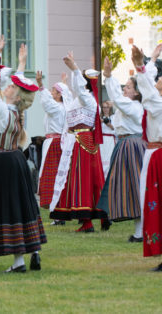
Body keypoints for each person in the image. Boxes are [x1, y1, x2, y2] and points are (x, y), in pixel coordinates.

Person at [0, 42, 46, 272]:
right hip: (16, 159)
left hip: (3, 162)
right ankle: (34, 251)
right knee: (23, 204)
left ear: (16, 96)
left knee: (9, 207)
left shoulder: (2, 110)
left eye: (11, 87)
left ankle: (19, 262)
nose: (8, 87)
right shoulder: (16, 112)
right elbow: (20, 87)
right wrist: (21, 64)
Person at [49, 52, 108, 232]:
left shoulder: (88, 99)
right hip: (78, 140)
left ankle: (88, 220)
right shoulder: (82, 100)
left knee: (84, 178)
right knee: (90, 178)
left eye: (82, 78)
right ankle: (98, 216)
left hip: (83, 141)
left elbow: (80, 90)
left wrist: (74, 68)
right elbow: (72, 95)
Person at [97, 56, 146, 241]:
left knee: (135, 188)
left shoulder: (134, 107)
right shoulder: (129, 107)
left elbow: (117, 99)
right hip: (125, 146)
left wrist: (108, 77)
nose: (124, 89)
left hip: (132, 147)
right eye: (125, 86)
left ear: (136, 93)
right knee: (132, 189)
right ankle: (139, 232)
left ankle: (141, 232)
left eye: (128, 87)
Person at [130, 45, 162, 272]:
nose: (159, 80)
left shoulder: (160, 105)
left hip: (160, 158)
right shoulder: (161, 105)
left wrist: (140, 67)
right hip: (159, 155)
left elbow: (147, 89)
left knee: (160, 204)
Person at [35, 71, 72, 215]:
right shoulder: (63, 107)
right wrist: (64, 82)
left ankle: (56, 210)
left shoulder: (57, 108)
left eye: (54, 91)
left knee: (53, 176)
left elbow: (46, 102)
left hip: (54, 144)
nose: (51, 93)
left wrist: (40, 85)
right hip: (56, 142)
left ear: (59, 95)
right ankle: (58, 209)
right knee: (59, 176)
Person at [99, 100, 116, 176]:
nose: (105, 109)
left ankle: (109, 178)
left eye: (107, 107)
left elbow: (114, 128)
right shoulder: (99, 118)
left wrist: (107, 122)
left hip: (110, 140)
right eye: (104, 107)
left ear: (110, 108)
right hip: (102, 140)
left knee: (109, 158)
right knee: (102, 158)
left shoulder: (113, 117)